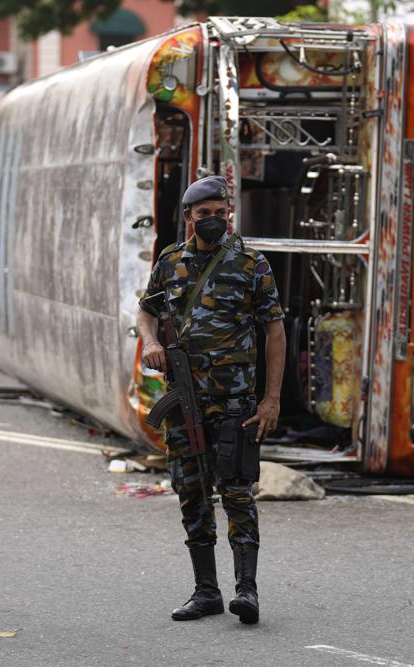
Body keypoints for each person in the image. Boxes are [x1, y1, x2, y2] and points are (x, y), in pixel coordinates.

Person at [137, 175, 286, 625]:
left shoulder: (251, 263)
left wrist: (271, 400)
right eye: (205, 215)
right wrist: (149, 343)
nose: (215, 222)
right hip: (184, 400)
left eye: (221, 214)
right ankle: (206, 592)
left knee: (237, 491)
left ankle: (247, 591)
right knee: (191, 493)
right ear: (189, 218)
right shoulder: (170, 261)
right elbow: (146, 310)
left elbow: (274, 331)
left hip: (236, 399)